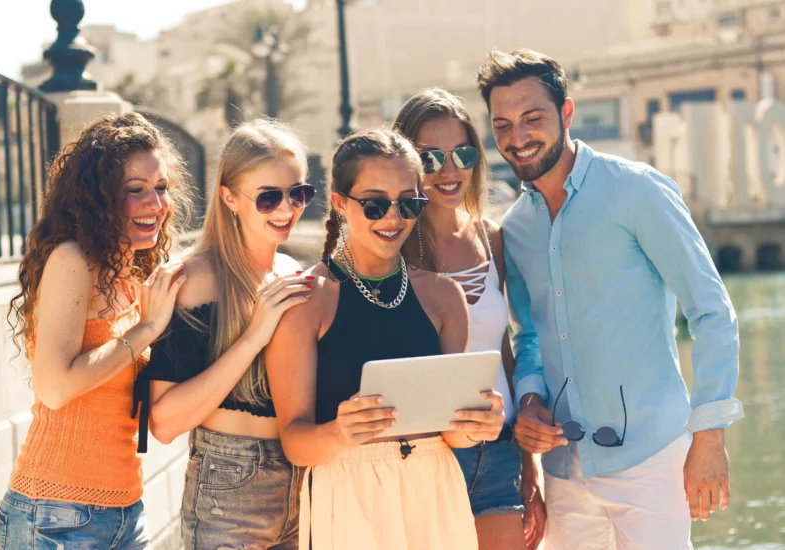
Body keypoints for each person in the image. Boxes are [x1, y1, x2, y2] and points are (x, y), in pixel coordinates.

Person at [477, 48, 744, 550]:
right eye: (503, 124)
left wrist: (709, 434)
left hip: (651, 459)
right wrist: (531, 401)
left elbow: (711, 311)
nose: (518, 138)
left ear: (567, 113)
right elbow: (528, 334)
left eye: (532, 118)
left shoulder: (637, 191)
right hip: (563, 472)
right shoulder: (515, 229)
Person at [264, 128, 505, 550]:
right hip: (349, 490)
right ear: (339, 204)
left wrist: (479, 425)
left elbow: (452, 434)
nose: (393, 218)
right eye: (374, 204)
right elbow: (295, 442)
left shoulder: (443, 296)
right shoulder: (307, 300)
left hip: (437, 489)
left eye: (408, 203)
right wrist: (340, 432)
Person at [0, 113, 191, 549]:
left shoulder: (128, 275)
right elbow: (54, 387)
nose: (156, 205)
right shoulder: (72, 260)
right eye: (135, 191)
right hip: (55, 516)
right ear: (98, 198)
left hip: (125, 511)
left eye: (160, 189)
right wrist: (147, 329)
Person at [133, 119, 316, 550]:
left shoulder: (293, 273)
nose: (287, 210)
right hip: (230, 490)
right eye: (269, 197)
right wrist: (253, 336)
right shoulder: (195, 280)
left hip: (304, 481)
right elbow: (163, 422)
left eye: (299, 193)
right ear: (229, 197)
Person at [394, 87, 545, 550]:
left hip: (499, 449)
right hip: (423, 454)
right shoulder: (391, 246)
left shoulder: (491, 238)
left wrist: (529, 468)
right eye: (430, 158)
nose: (448, 170)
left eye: (461, 153)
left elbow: (504, 351)